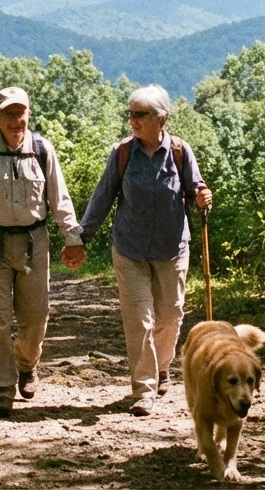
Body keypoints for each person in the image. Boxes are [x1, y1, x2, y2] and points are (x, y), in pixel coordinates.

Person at [64, 84, 213, 416]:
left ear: (161, 118)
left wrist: (203, 197)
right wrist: (80, 239)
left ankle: (161, 367)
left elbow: (196, 190)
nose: (133, 120)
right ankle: (144, 389)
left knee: (170, 316)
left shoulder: (179, 151)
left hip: (173, 248)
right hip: (129, 249)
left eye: (140, 114)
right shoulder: (123, 153)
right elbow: (102, 197)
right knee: (139, 321)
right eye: (130, 113)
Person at [0, 86, 84, 418]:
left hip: (33, 242)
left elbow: (59, 198)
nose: (17, 120)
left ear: (29, 113)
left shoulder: (42, 150)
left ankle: (27, 364)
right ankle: (2, 389)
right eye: (9, 114)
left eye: (21, 113)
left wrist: (73, 237)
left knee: (35, 316)